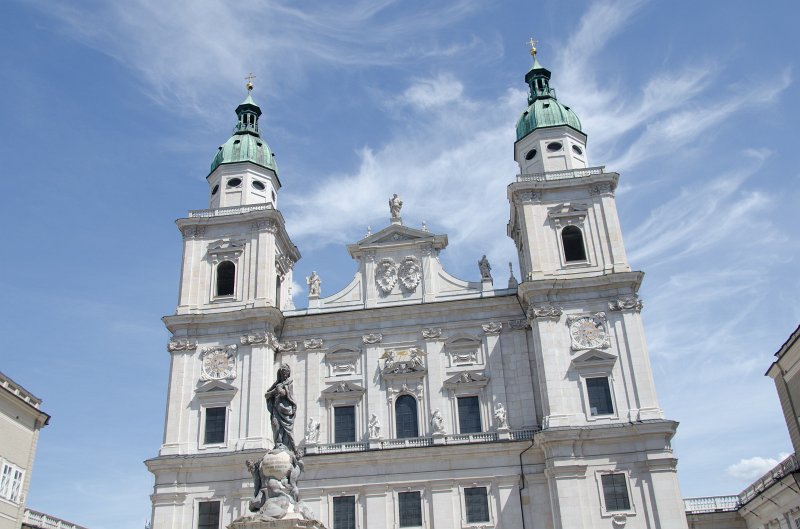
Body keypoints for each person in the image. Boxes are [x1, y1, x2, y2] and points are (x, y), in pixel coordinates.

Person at [265, 363, 298, 454]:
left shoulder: (289, 383)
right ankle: (278, 444)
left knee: (286, 430)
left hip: (286, 410)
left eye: (286, 373)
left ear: (288, 373)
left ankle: (285, 446)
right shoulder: (277, 384)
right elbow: (266, 395)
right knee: (275, 425)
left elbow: (286, 394)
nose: (284, 375)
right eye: (282, 373)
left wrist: (281, 390)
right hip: (276, 409)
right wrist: (274, 391)